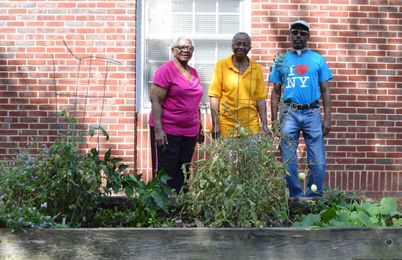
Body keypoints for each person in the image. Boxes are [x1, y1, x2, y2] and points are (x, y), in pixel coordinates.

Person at [269, 20, 333, 198]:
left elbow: (326, 89)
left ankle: (313, 196)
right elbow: (275, 92)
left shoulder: (317, 59)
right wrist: (274, 121)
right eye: (295, 32)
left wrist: (327, 117)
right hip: (289, 113)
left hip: (312, 113)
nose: (298, 35)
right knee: (289, 158)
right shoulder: (281, 60)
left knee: (318, 160)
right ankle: (295, 196)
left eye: (302, 33)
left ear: (308, 37)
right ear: (289, 35)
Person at [149, 36, 204, 193]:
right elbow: (155, 100)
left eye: (189, 48)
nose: (185, 50)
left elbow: (194, 102)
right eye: (181, 47)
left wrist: (199, 126)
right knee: (166, 173)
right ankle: (162, 212)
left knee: (184, 171)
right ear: (173, 50)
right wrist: (159, 130)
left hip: (189, 132)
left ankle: (180, 211)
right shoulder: (165, 71)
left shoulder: (193, 72)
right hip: (168, 130)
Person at [208, 32, 269, 138]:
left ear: (249, 48)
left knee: (251, 155)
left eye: (245, 44)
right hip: (227, 127)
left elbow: (260, 99)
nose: (241, 47)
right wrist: (216, 124)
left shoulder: (256, 67)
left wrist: (264, 125)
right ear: (232, 45)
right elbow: (214, 96)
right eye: (238, 44)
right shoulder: (221, 65)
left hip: (251, 127)